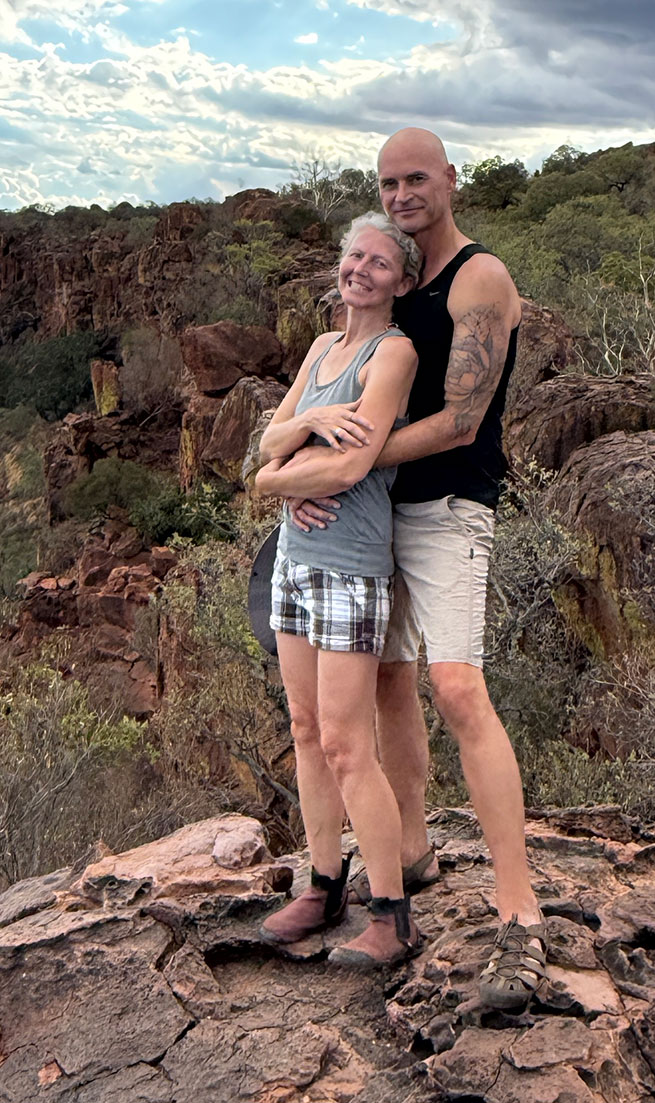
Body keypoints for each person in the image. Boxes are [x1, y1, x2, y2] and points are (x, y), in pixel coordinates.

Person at [291, 128, 548, 1009]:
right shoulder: (397, 281)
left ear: (450, 179)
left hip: (449, 509)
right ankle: (410, 854)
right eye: (388, 182)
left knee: (459, 688)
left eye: (415, 179)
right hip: (376, 519)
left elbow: (462, 420)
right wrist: (322, 473)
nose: (402, 194)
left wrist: (346, 464)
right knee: (387, 682)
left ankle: (518, 909)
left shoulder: (480, 277)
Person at [253, 211, 424, 967]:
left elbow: (353, 466)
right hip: (293, 559)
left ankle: (392, 912)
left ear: (401, 282)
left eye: (379, 262)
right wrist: (310, 423)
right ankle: (324, 884)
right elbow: (267, 441)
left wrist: (275, 479)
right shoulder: (323, 349)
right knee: (304, 727)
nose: (361, 270)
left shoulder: (395, 353)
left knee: (349, 744)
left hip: (351, 566)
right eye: (355, 256)